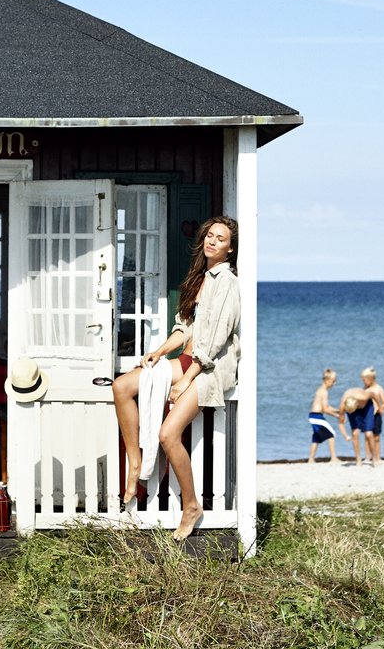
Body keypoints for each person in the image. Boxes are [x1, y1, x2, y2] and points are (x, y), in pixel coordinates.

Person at [111, 215, 241, 541]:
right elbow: (184, 331)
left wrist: (187, 379)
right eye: (210, 235)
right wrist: (158, 351)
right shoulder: (199, 278)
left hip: (208, 368)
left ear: (230, 249)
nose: (212, 241)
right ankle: (135, 464)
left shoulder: (227, 282)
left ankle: (191, 505)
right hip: (187, 360)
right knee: (122, 386)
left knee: (169, 435)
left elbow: (216, 338)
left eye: (220, 238)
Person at [307, 369, 342, 463]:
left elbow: (327, 407)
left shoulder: (320, 389)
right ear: (327, 380)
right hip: (317, 417)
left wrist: (338, 410)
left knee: (316, 437)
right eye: (333, 381)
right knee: (331, 433)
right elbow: (325, 410)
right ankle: (333, 458)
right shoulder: (324, 392)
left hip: (313, 416)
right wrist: (337, 416)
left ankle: (311, 459)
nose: (334, 384)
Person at [359, 366, 384, 462]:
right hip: (366, 414)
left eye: (365, 380)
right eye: (363, 380)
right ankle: (368, 456)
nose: (364, 382)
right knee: (367, 436)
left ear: (370, 379)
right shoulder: (365, 389)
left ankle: (377, 457)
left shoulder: (379, 388)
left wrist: (380, 408)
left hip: (376, 415)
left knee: (376, 437)